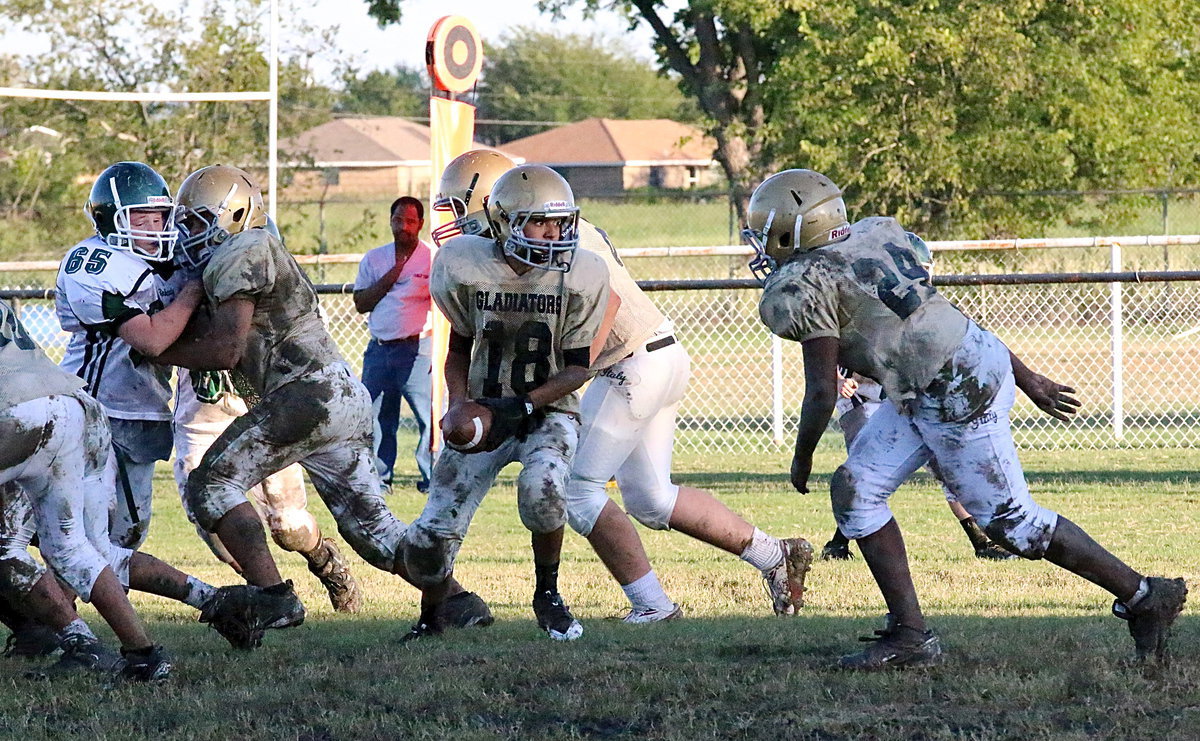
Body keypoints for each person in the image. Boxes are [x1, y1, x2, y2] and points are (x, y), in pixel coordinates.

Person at [745, 168, 1186, 669]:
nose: (760, 243)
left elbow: (823, 388)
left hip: (957, 390)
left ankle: (1146, 596)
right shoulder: (876, 235)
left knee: (1013, 525)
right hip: (943, 374)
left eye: (766, 230)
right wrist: (1025, 375)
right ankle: (911, 635)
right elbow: (941, 318)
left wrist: (800, 458)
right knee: (856, 488)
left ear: (792, 230)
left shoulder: (807, 283)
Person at [430, 150, 814, 623]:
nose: (453, 219)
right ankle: (775, 555)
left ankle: (653, 606)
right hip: (655, 353)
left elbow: (605, 305)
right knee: (651, 498)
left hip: (626, 364)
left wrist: (562, 380)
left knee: (576, 490)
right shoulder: (537, 233)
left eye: (456, 205)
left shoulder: (557, 235)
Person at [153, 164, 490, 643]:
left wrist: (156, 348)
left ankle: (272, 595)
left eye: (195, 221)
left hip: (304, 396)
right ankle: (457, 601)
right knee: (373, 533)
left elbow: (226, 349)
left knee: (211, 484)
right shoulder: (251, 250)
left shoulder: (245, 248)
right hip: (338, 394)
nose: (186, 233)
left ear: (235, 213)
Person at [403, 164, 610, 641]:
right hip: (484, 406)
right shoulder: (464, 265)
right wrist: (458, 403)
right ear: (502, 222)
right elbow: (457, 349)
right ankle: (431, 617)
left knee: (543, 491)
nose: (554, 233)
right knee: (435, 528)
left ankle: (548, 596)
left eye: (560, 222)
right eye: (540, 221)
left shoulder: (581, 273)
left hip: (549, 410)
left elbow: (579, 368)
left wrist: (527, 405)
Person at [820, 237, 1016, 562]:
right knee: (864, 470)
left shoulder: (931, 309)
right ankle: (839, 542)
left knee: (943, 464)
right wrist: (839, 381)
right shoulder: (864, 310)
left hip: (905, 395)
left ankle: (981, 540)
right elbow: (829, 359)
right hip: (864, 396)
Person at [55, 161, 203, 550]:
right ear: (108, 219)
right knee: (88, 527)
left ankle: (93, 605)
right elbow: (152, 341)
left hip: (146, 405)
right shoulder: (95, 264)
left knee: (128, 533)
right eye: (140, 217)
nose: (153, 228)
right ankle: (56, 608)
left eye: (159, 217)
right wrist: (193, 292)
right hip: (93, 405)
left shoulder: (175, 259)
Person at [173, 368, 363, 613]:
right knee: (210, 522)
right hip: (202, 419)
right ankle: (268, 593)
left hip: (264, 413)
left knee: (288, 526)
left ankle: (328, 564)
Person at [353, 196, 434, 494]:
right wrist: (393, 274)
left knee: (427, 417)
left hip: (418, 349)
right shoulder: (375, 259)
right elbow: (361, 303)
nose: (404, 227)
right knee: (374, 417)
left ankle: (430, 478)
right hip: (380, 348)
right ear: (390, 221)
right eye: (398, 220)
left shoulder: (431, 259)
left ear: (421, 224)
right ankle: (380, 478)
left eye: (411, 221)